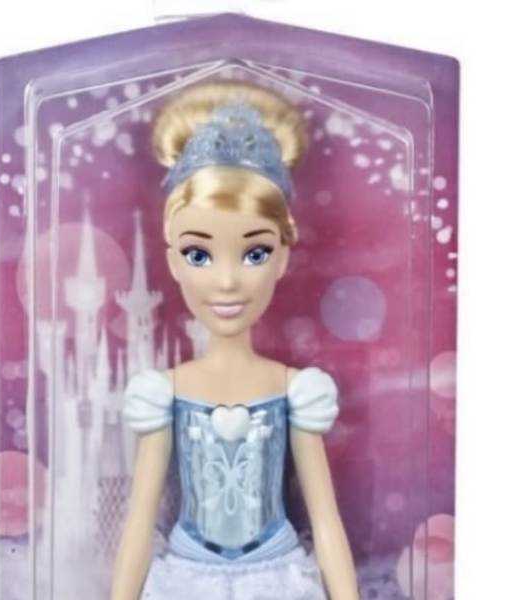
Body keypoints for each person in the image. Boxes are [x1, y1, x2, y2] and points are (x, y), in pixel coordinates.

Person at [110, 81, 359, 600]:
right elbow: (139, 519)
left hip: (278, 579)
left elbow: (326, 519)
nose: (226, 282)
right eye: (199, 255)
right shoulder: (163, 393)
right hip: (187, 580)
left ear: (283, 256)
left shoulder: (296, 391)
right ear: (173, 259)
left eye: (254, 253)